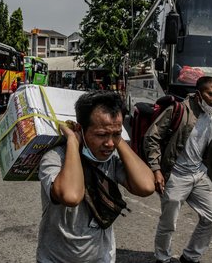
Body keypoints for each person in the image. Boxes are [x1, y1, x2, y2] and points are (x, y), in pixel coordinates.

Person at [36, 90, 155, 262]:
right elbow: (71, 196)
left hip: (102, 257)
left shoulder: (110, 159)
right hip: (55, 258)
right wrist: (72, 141)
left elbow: (146, 186)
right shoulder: (55, 158)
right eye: (101, 135)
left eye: (116, 134)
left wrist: (117, 138)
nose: (109, 144)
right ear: (80, 129)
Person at [144, 76, 212, 263]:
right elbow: (151, 137)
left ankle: (190, 257)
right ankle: (162, 258)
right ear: (199, 94)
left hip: (200, 174)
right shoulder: (179, 110)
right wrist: (156, 170)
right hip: (176, 175)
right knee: (169, 223)